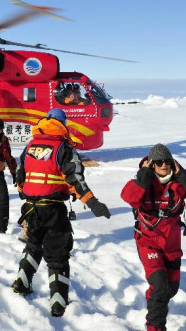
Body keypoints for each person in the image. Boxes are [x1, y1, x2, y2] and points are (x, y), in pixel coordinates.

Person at [11, 108, 111, 317]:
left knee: (33, 246)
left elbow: (20, 174)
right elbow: (75, 179)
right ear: (62, 124)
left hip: (30, 208)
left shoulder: (31, 145)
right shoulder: (64, 148)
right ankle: (58, 303)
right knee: (57, 256)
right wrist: (92, 203)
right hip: (53, 209)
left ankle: (21, 282)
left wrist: (25, 193)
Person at [120, 143, 186, 331]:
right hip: (148, 241)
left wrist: (183, 174)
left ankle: (156, 300)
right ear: (152, 164)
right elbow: (128, 197)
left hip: (172, 244)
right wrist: (143, 175)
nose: (163, 165)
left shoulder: (178, 182)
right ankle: (155, 326)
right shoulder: (143, 181)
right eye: (159, 162)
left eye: (167, 161)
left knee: (171, 289)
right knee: (160, 287)